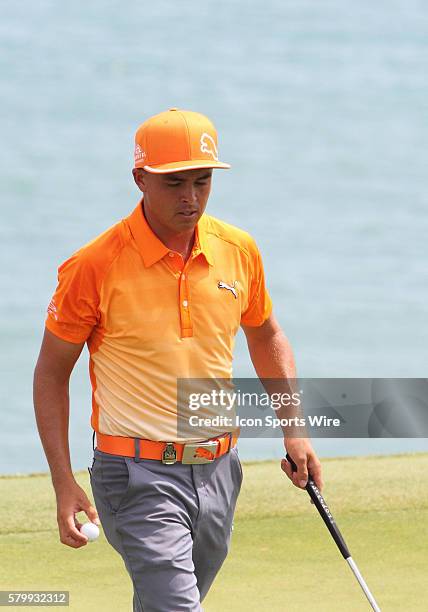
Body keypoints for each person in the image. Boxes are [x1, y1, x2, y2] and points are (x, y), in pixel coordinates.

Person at [33, 108, 323, 611]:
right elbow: (51, 375)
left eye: (202, 181)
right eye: (174, 183)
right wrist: (63, 481)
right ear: (140, 178)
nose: (190, 198)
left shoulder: (238, 249)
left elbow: (267, 336)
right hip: (135, 475)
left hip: (220, 471)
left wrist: (293, 430)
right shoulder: (95, 265)